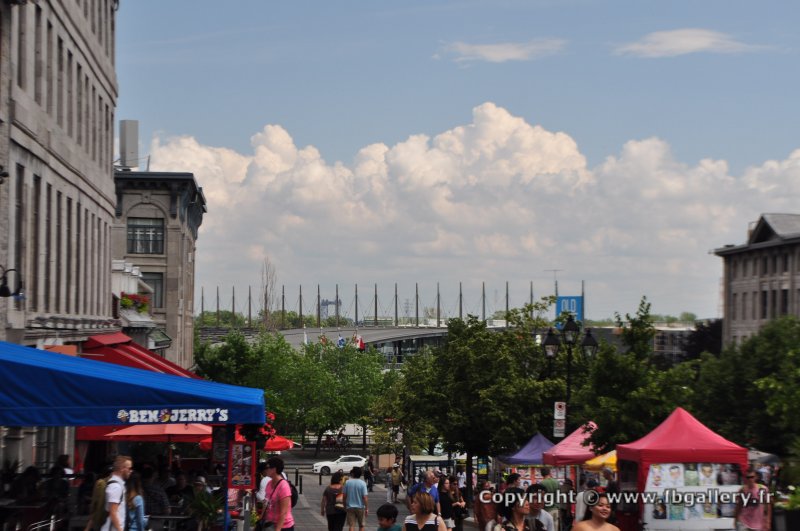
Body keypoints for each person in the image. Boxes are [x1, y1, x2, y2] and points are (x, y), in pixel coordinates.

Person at [262, 457, 294, 531]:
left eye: (267, 467)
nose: (266, 470)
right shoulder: (269, 483)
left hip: (283, 526)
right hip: (269, 524)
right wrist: (260, 521)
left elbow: (283, 512)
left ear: (274, 469)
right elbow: (265, 503)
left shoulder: (283, 486)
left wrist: (278, 529)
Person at [103, 455, 133, 531]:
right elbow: (113, 513)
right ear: (122, 468)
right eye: (129, 468)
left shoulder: (117, 485)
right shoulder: (116, 487)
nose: (131, 471)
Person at [343, 466, 368, 531]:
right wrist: (367, 508)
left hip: (350, 507)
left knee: (351, 525)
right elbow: (365, 497)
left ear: (353, 474)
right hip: (360, 507)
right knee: (361, 525)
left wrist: (344, 505)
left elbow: (344, 496)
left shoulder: (347, 482)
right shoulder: (363, 483)